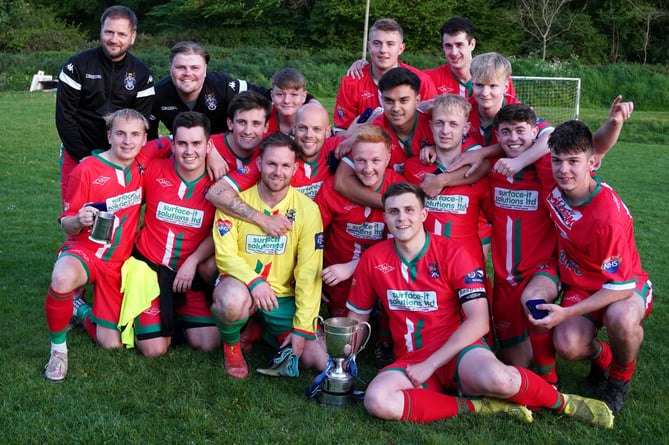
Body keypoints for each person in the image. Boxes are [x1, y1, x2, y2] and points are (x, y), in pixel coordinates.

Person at [345, 182, 614, 428]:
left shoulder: (454, 253)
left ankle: (564, 402)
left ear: (424, 214)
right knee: (377, 400)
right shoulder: (372, 259)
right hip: (411, 358)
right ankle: (478, 406)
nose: (401, 218)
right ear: (385, 217)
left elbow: (479, 322)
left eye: (409, 210)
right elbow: (357, 318)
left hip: (459, 350)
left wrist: (432, 364)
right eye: (393, 212)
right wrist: (340, 360)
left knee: (501, 379)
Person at [534, 120, 652, 414]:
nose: (564, 170)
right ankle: (604, 357)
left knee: (621, 319)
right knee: (568, 345)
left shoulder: (606, 217)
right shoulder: (553, 178)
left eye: (574, 162)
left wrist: (566, 312)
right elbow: (524, 131)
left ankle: (618, 380)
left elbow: (618, 287)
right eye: (557, 160)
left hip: (625, 285)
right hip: (581, 283)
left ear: (592, 163)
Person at [44, 109, 159, 382]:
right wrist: (78, 218)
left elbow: (174, 139)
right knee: (62, 277)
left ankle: (77, 308)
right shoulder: (86, 170)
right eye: (120, 134)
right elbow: (65, 224)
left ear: (145, 139)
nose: (127, 141)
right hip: (86, 251)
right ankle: (58, 352)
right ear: (109, 136)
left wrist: (212, 151)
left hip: (118, 262)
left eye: (135, 135)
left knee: (111, 343)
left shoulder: (142, 161)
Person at [210, 132, 327, 378]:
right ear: (260, 163)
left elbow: (309, 271)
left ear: (295, 168)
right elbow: (224, 257)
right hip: (243, 288)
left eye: (285, 165)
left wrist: (302, 327)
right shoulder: (236, 203)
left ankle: (258, 330)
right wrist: (254, 281)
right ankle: (232, 348)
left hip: (282, 297)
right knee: (231, 300)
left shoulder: (308, 210)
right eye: (272, 163)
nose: (278, 171)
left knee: (317, 360)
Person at [122, 111, 220, 357]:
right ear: (172, 144)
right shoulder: (153, 168)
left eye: (197, 143)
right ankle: (84, 312)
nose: (189, 151)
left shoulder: (219, 183)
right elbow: (128, 161)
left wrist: (194, 260)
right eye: (182, 143)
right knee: (153, 350)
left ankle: (172, 316)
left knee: (209, 343)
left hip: (188, 274)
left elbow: (219, 232)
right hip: (150, 270)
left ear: (208, 145)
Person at [487, 104, 559, 384]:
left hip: (542, 267)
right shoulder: (493, 169)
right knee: (517, 362)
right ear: (497, 135)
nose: (513, 138)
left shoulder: (546, 168)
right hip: (505, 278)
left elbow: (553, 137)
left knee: (536, 305)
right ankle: (539, 355)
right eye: (506, 132)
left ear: (533, 131)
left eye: (520, 131)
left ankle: (551, 381)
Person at [56, 5, 154, 204]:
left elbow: (140, 123)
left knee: (117, 215)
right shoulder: (77, 66)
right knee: (75, 216)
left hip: (122, 157)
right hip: (78, 153)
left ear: (132, 37)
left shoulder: (142, 74)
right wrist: (83, 157)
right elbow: (64, 117)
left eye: (121, 34)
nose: (114, 39)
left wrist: (129, 159)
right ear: (101, 31)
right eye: (109, 32)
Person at [315, 126, 405, 318]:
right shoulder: (332, 188)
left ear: (388, 159)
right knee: (344, 332)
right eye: (360, 160)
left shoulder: (400, 189)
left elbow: (402, 247)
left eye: (376, 161)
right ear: (351, 159)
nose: (368, 168)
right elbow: (312, 235)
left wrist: (355, 266)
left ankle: (385, 330)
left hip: (385, 271)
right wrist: (308, 276)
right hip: (338, 273)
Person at [333, 18, 436, 135]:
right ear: (369, 46)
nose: (383, 50)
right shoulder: (352, 81)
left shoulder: (421, 80)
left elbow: (435, 126)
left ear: (401, 48)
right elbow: (340, 132)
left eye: (390, 44)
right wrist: (354, 134)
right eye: (377, 43)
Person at [423, 17, 515, 98]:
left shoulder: (497, 77)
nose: (454, 52)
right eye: (448, 46)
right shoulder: (429, 78)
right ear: (443, 47)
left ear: (472, 44)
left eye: (459, 45)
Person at [290, 103, 342, 200]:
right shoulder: (279, 155)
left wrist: (352, 139)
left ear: (327, 132)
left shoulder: (336, 146)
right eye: (302, 128)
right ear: (294, 127)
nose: (309, 135)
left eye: (317, 129)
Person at [265, 68, 309, 136]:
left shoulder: (313, 118)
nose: (286, 101)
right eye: (280, 94)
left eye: (294, 94)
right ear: (272, 96)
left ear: (303, 97)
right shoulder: (264, 117)